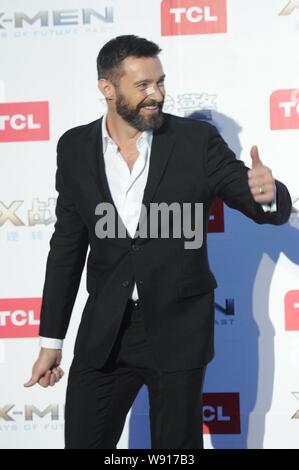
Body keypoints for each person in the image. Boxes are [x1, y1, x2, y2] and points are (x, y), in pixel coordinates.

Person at [24, 35, 292, 449]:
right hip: (106, 332)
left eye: (160, 83)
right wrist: (50, 341)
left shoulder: (194, 142)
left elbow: (255, 201)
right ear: (107, 88)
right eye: (143, 85)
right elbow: (66, 248)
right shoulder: (75, 148)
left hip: (178, 329)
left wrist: (267, 193)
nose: (156, 94)